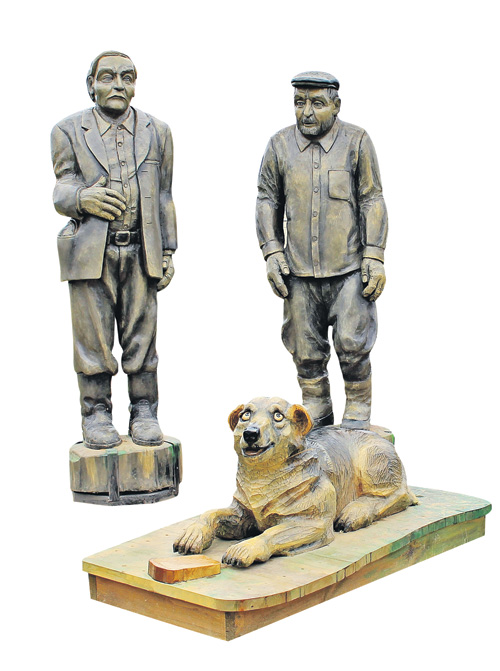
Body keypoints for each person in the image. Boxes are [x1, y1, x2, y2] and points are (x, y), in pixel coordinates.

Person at [51, 51, 177, 448]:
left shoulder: (158, 131)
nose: (118, 85)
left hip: (142, 250)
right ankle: (96, 413)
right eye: (107, 77)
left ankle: (144, 409)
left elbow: (165, 195)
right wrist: (82, 197)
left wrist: (168, 251)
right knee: (92, 340)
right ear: (91, 85)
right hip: (91, 253)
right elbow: (61, 188)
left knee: (142, 338)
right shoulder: (68, 130)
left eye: (127, 77)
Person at [256, 71, 387, 429]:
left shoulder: (357, 142)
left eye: (317, 103)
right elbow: (267, 200)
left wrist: (374, 255)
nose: (307, 112)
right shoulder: (280, 146)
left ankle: (357, 407)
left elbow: (372, 199)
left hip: (348, 270)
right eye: (300, 103)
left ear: (336, 105)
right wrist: (272, 251)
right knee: (305, 348)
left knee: (352, 343)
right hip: (298, 272)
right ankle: (317, 405)